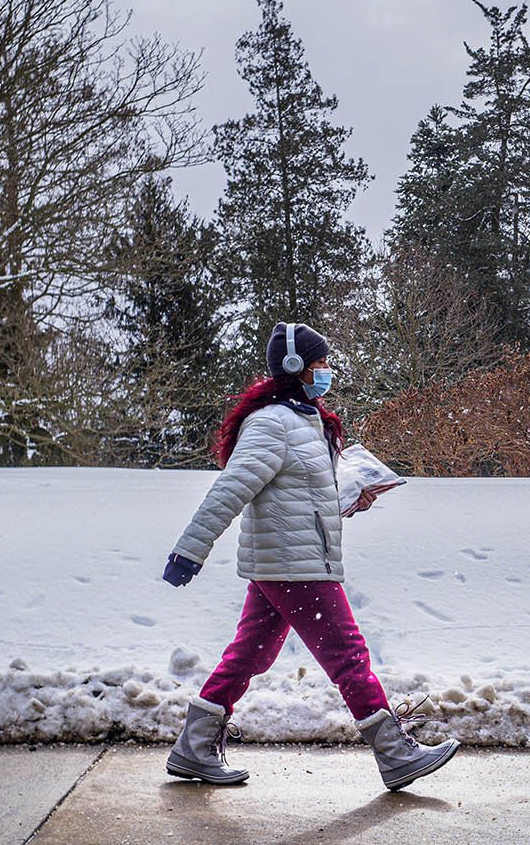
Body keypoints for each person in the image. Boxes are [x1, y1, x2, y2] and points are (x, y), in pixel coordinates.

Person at [160, 321, 458, 791]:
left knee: (248, 656)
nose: (326, 372)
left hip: (286, 562)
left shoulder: (306, 421)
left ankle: (193, 749)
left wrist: (350, 500)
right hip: (295, 567)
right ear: (295, 368)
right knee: (348, 657)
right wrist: (189, 552)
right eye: (319, 364)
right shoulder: (272, 423)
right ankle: (396, 755)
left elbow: (297, 500)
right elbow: (231, 489)